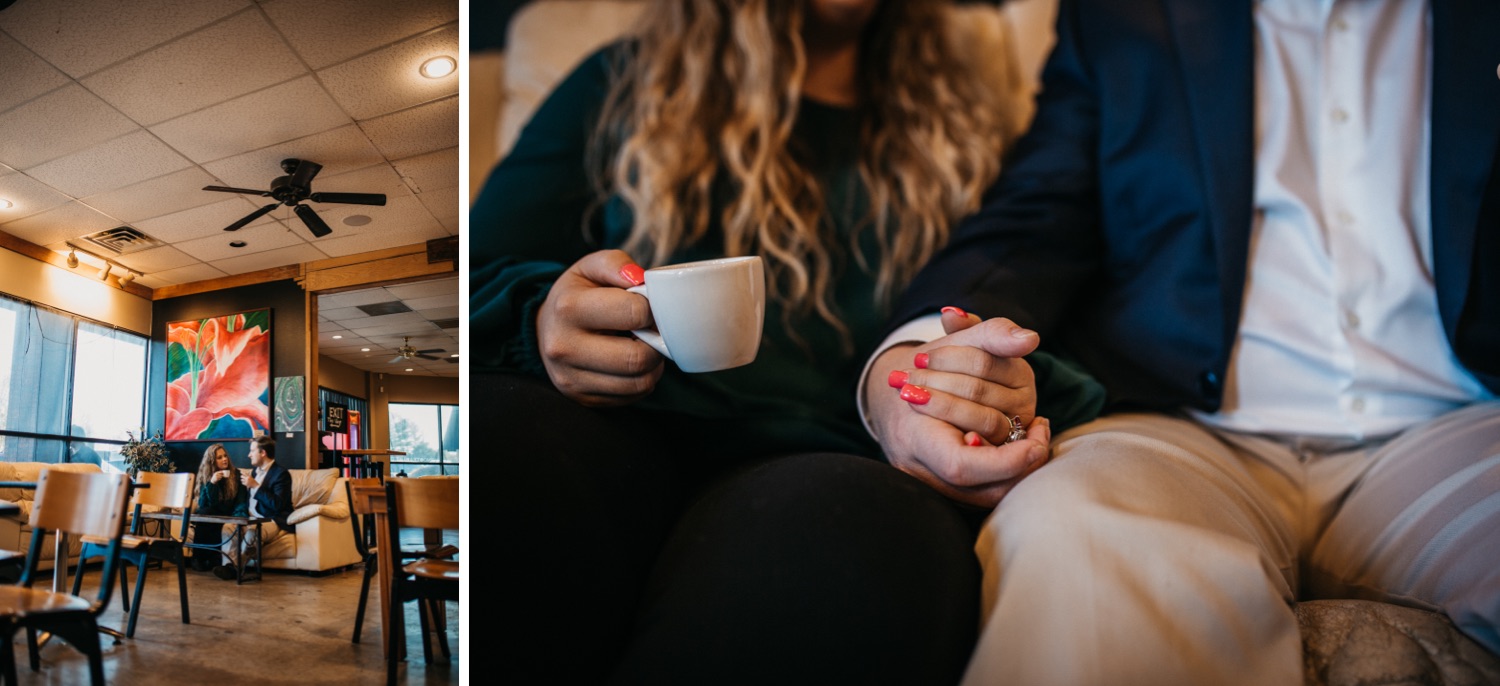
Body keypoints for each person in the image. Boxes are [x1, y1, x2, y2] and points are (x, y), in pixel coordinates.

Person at [862, 1, 1500, 683]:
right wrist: (913, 364)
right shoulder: (1121, 14)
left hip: (1457, 427)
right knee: (1072, 536)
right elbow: (1036, 213)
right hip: (1183, 429)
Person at [473, 0, 1104, 682]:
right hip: (628, 418)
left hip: (841, 457)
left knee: (853, 542)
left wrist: (968, 377)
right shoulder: (623, 80)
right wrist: (545, 316)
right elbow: (479, 266)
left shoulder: (958, 115)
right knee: (497, 439)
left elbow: (1013, 286)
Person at [214, 434, 293, 581]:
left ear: (263, 453)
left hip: (271, 520)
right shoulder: (255, 472)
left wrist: (256, 486)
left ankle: (235, 568)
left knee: (252, 532)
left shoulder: (281, 474)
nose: (248, 455)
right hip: (249, 518)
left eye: (252, 451)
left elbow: (277, 505)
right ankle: (227, 566)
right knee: (228, 527)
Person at [192, 443, 248, 571]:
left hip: (229, 513)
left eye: (225, 456)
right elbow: (203, 503)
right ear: (211, 462)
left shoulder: (237, 475)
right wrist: (212, 483)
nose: (224, 459)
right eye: (219, 457)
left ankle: (200, 558)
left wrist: (238, 518)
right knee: (205, 513)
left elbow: (240, 501)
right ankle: (205, 559)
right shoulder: (207, 477)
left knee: (206, 515)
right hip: (212, 512)